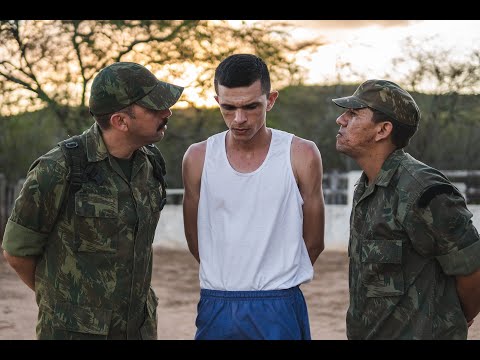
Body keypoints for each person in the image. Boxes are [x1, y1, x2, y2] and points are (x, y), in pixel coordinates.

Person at [1, 62, 184, 339]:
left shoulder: (151, 163)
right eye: (154, 108)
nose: (167, 113)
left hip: (139, 330)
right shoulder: (59, 168)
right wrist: (66, 304)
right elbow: (17, 252)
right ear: (120, 121)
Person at [182, 53, 325, 340]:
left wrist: (274, 277)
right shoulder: (197, 158)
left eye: (251, 106)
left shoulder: (301, 154)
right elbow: (196, 240)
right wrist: (230, 277)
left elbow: (314, 242)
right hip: (217, 302)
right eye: (228, 107)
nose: (239, 119)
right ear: (216, 102)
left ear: (270, 100)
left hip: (279, 304)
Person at [332, 79, 480, 340]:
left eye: (354, 114)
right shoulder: (367, 186)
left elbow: (473, 271)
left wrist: (454, 317)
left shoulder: (423, 190)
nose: (340, 120)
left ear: (383, 130)